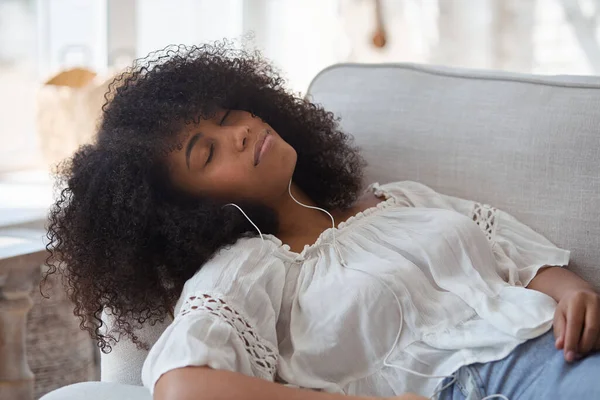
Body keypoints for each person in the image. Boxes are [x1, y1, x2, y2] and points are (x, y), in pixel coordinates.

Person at [45, 42, 600, 400]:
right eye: (205, 153)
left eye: (225, 116)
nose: (237, 132)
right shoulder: (246, 269)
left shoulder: (399, 201)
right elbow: (185, 387)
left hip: (553, 354)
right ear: (188, 213)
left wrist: (572, 290)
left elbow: (518, 257)